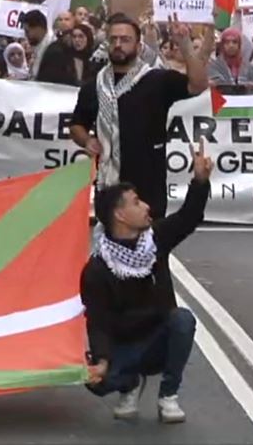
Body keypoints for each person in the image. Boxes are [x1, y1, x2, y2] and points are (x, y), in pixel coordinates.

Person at [82, 140, 212, 423]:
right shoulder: (97, 269)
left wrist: (200, 181)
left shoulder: (156, 239)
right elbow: (98, 321)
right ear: (119, 215)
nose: (146, 206)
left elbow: (189, 218)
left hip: (157, 338)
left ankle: (168, 396)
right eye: (137, 203)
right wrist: (102, 362)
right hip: (124, 345)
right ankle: (128, 385)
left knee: (183, 320)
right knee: (95, 381)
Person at [69, 14, 210, 218]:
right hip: (109, 187)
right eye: (113, 39)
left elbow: (198, 85)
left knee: (151, 246)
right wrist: (87, 139)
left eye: (125, 40)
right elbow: (76, 126)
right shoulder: (94, 86)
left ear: (138, 45)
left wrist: (185, 44)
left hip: (148, 188)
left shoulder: (157, 80)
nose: (118, 45)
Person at [20, 9, 73, 84]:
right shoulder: (41, 48)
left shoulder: (55, 52)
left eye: (27, 31)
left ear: (38, 28)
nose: (26, 35)